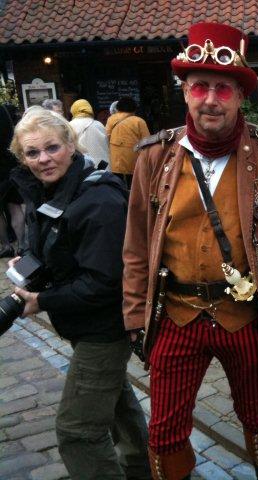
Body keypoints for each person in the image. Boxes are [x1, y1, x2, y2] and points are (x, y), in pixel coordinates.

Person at [122, 22, 258, 480]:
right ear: (185, 92)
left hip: (245, 315)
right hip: (177, 314)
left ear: (239, 95)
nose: (211, 99)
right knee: (164, 431)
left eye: (223, 89)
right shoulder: (154, 156)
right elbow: (134, 245)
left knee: (256, 411)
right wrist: (134, 315)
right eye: (200, 86)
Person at [7, 107, 151, 479]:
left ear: (71, 144)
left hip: (103, 329)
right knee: (119, 404)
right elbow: (63, 247)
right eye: (32, 153)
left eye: (52, 147)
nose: (43, 159)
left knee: (77, 432)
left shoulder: (97, 199)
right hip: (86, 323)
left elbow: (106, 281)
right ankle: (143, 469)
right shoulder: (53, 189)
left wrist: (42, 301)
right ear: (21, 157)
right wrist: (34, 262)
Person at [105, 96, 150, 186]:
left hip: (116, 158)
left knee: (117, 182)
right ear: (134, 108)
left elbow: (107, 136)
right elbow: (147, 140)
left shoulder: (111, 119)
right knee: (133, 182)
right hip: (134, 157)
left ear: (118, 107)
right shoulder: (139, 121)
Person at [0, 103, 26, 257]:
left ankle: (5, 246)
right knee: (15, 206)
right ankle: (22, 246)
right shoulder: (4, 110)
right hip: (10, 167)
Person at [69, 99, 110, 169]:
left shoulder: (69, 126)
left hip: (84, 169)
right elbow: (107, 144)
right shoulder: (98, 124)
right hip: (104, 167)